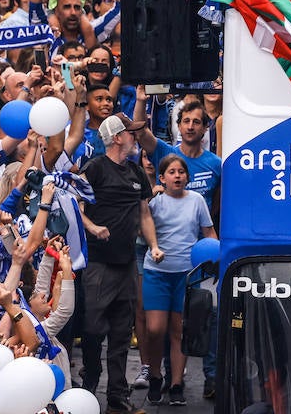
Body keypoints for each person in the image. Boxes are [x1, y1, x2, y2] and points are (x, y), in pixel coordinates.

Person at [80, 112, 158, 414]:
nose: (135, 137)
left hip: (126, 264)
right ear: (117, 137)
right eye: (131, 132)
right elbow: (76, 206)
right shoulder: (95, 169)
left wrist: (153, 245)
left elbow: (145, 214)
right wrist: (92, 227)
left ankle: (117, 396)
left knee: (122, 332)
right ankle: (89, 382)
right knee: (92, 328)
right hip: (99, 263)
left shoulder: (136, 173)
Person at [136, 153, 214, 406]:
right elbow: (142, 226)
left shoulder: (197, 200)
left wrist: (215, 254)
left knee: (179, 331)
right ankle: (156, 375)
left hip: (187, 275)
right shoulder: (155, 202)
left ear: (187, 178)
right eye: (172, 172)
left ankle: (177, 383)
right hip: (157, 273)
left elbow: (208, 231)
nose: (177, 176)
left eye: (181, 172)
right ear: (162, 178)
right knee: (155, 329)